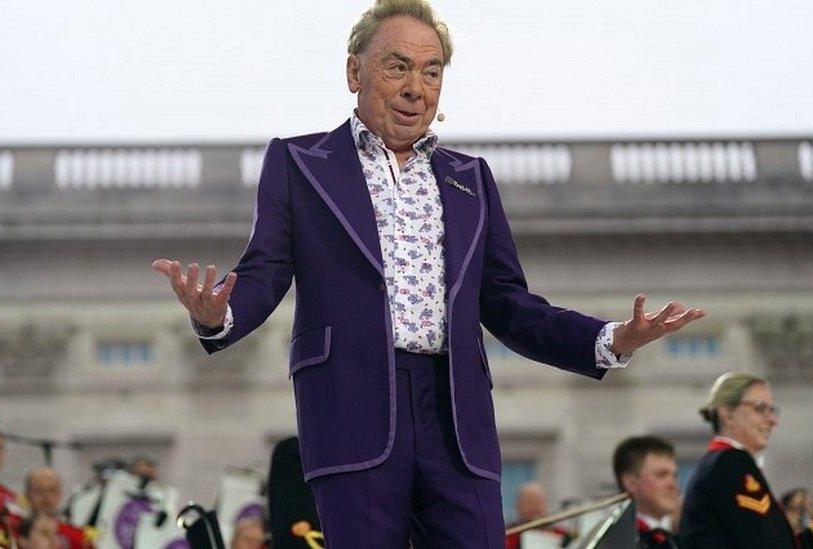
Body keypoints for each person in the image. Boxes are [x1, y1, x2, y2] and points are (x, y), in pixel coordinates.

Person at [153, 0, 704, 545]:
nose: (417, 86)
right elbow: (266, 271)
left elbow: (508, 302)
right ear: (354, 71)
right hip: (351, 408)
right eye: (398, 67)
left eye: (432, 71)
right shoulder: (298, 163)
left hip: (456, 416)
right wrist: (219, 313)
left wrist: (611, 337)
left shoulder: (472, 178)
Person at [678, 372, 813, 548]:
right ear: (728, 414)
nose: (773, 420)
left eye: (772, 410)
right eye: (760, 409)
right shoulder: (730, 463)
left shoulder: (721, 463)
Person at [613, 436, 681, 548]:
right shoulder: (619, 541)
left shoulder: (678, 535)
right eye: (661, 475)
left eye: (674, 475)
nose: (673, 484)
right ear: (630, 482)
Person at [24, 466, 93, 549]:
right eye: (39, 490)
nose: (46, 496)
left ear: (60, 493)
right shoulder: (12, 532)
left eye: (52, 490)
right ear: (27, 494)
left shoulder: (80, 538)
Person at [504, 482, 570, 549]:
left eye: (538, 501)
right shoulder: (508, 534)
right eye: (529, 501)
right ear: (518, 505)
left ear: (546, 504)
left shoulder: (561, 535)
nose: (534, 506)